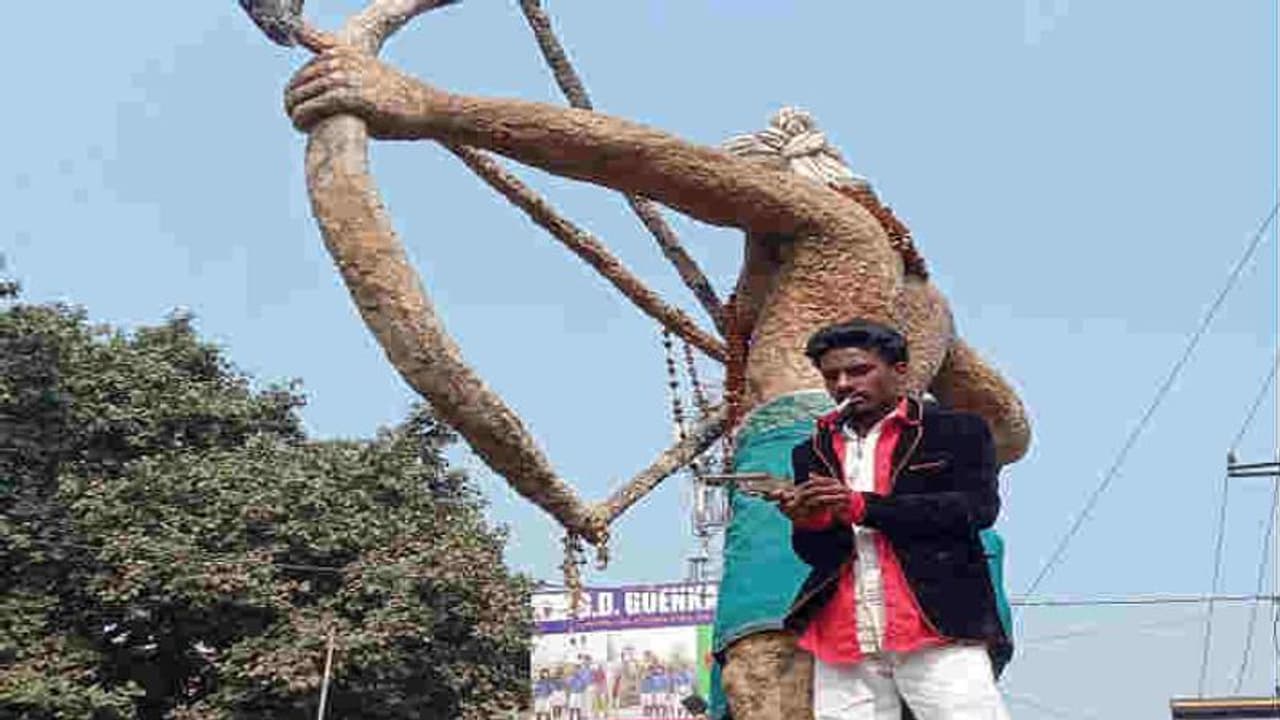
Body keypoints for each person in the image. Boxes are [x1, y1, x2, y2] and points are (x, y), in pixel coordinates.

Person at [283, 49, 1028, 720]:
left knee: (774, 684)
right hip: (911, 542)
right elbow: (1008, 429)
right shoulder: (924, 310)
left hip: (807, 478)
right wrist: (916, 461)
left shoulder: (830, 230)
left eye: (752, 209)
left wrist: (433, 108)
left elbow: (653, 163)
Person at [773, 319, 1010, 720]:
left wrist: (863, 508)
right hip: (843, 630)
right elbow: (819, 554)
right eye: (832, 376)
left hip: (935, 621)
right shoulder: (810, 451)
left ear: (900, 371)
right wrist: (810, 521)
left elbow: (977, 509)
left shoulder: (957, 430)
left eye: (859, 371)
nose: (844, 384)